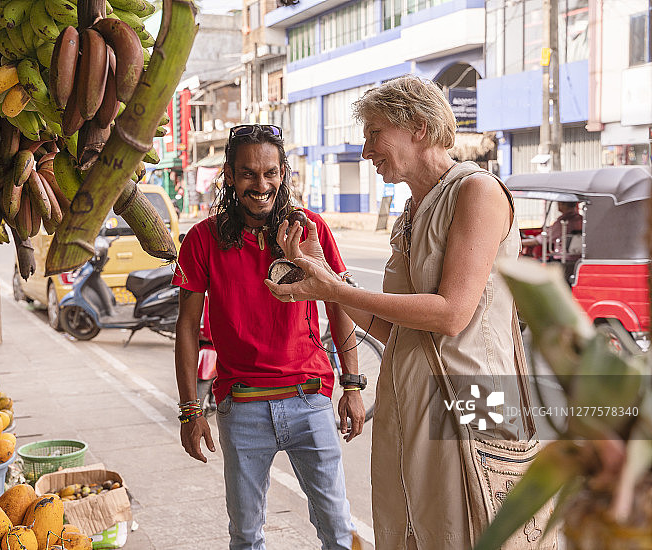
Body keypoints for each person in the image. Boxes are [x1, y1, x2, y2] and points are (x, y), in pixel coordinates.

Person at [265, 76, 545, 549]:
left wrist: (335, 286)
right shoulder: (411, 214)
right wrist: (322, 280)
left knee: (471, 532)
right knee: (412, 533)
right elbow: (392, 329)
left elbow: (451, 313)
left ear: (418, 126)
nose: (366, 150)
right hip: (410, 405)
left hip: (471, 400)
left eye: (375, 133)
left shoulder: (476, 192)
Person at [172, 124, 364, 550]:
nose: (261, 185)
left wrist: (352, 385)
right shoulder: (202, 240)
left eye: (270, 173)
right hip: (242, 408)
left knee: (337, 529)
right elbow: (186, 326)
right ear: (229, 176)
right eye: (248, 174)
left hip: (310, 400)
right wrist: (190, 410)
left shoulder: (310, 230)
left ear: (284, 174)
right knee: (245, 536)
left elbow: (339, 303)